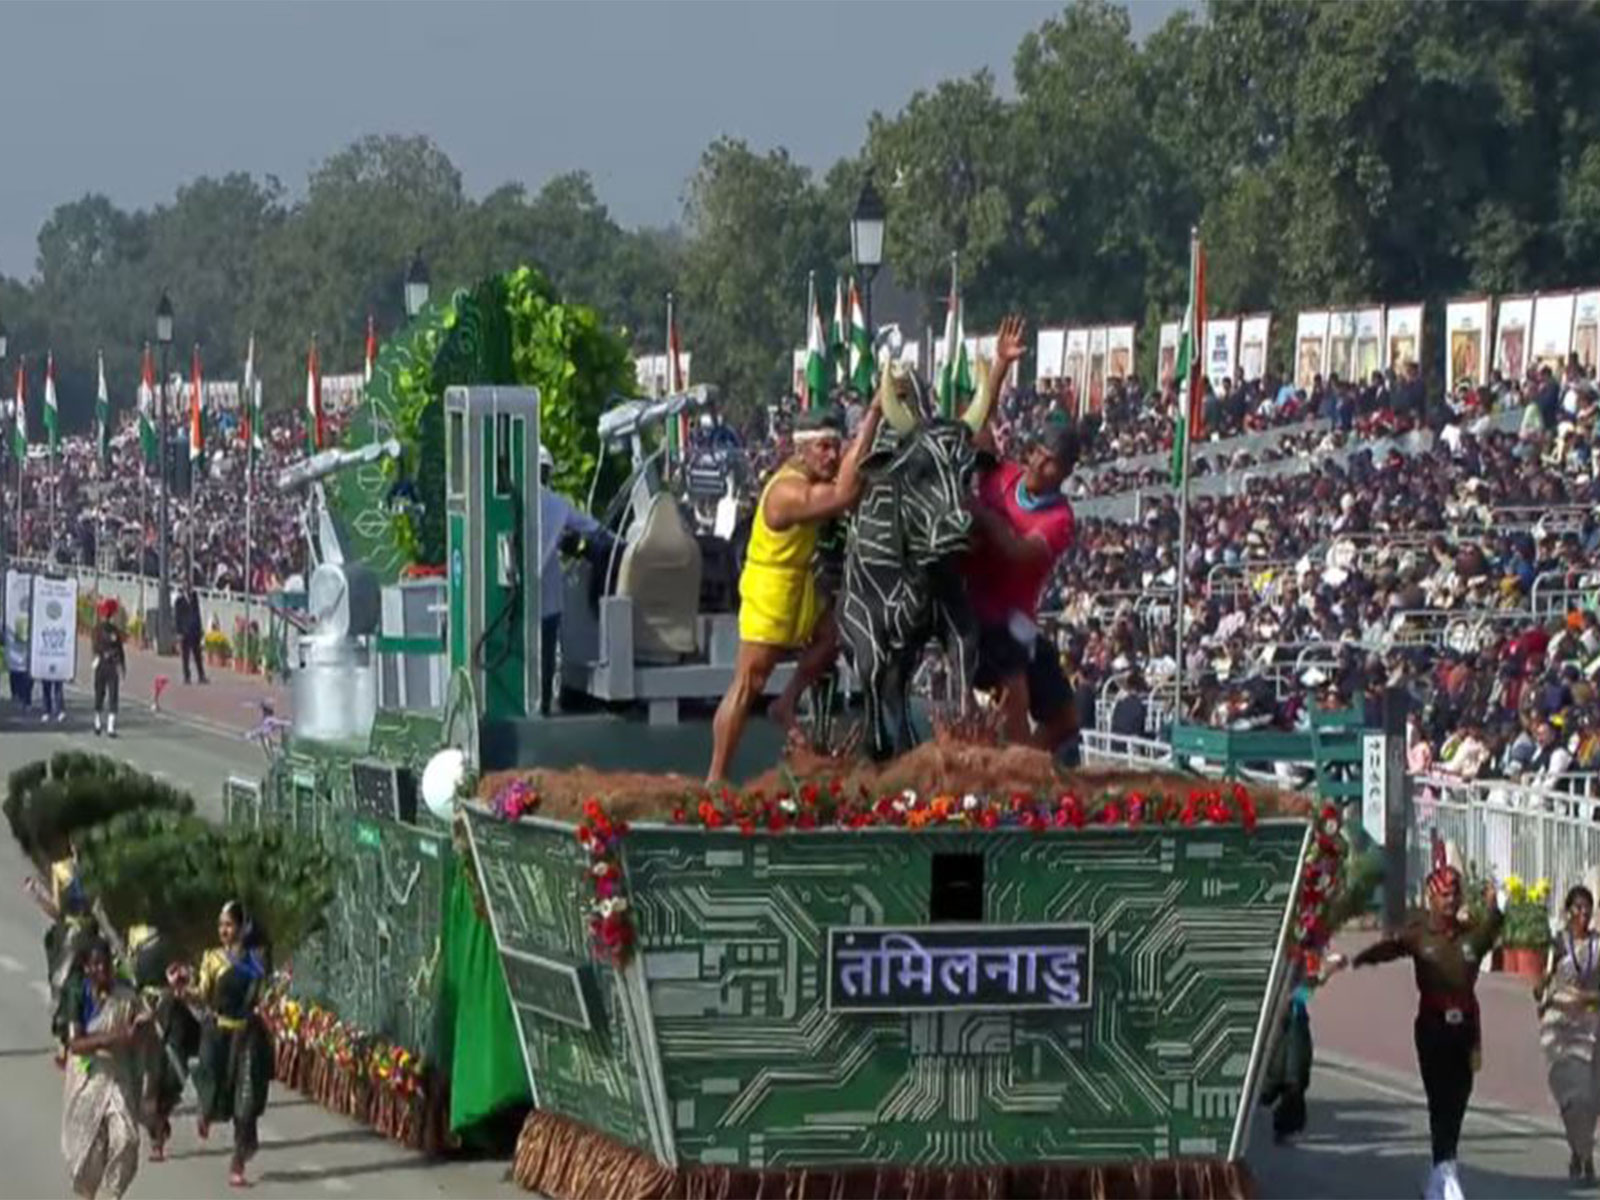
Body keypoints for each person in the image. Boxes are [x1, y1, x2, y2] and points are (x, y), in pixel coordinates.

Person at [706, 396, 883, 783]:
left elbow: (846, 482)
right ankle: (715, 777)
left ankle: (785, 704)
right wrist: (873, 414)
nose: (833, 455)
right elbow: (843, 495)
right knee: (749, 683)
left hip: (800, 584)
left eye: (836, 446)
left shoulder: (810, 477)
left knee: (832, 634)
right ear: (800, 448)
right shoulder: (785, 491)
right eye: (823, 446)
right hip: (770, 589)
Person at [1351, 849, 1503, 1200]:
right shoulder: (1420, 935)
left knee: (1459, 1098)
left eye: (1455, 895)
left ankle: (1442, 1166)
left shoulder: (1470, 937)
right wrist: (1357, 959)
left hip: (1465, 1028)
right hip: (1432, 1026)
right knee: (1440, 1099)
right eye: (1444, 895)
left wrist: (1494, 905)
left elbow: (1493, 927)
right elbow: (1389, 949)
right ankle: (1445, 1171)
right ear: (1432, 898)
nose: (1450, 901)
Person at [964, 315, 1082, 755]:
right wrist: (1000, 365)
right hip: (977, 612)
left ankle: (1023, 763)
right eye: (1034, 453)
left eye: (1050, 461)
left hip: (1017, 620)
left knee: (1065, 718)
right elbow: (980, 422)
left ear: (1065, 471)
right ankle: (1016, 771)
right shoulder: (1003, 476)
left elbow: (1017, 554)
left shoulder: (1059, 519)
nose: (1036, 464)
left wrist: (978, 511)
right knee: (1015, 688)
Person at [173, 900, 272, 1189]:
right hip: (217, 1034)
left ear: (242, 927)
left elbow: (263, 994)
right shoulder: (212, 958)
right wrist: (182, 990)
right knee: (212, 1089)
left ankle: (237, 1163)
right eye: (221, 926)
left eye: (229, 925)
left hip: (248, 1037)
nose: (223, 931)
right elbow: (202, 994)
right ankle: (206, 1113)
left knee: (246, 1102)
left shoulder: (256, 961)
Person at [60, 938, 151, 1200]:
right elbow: (76, 1044)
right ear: (87, 968)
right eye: (96, 965)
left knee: (127, 1140)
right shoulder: (77, 993)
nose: (103, 970)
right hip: (87, 1074)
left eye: (106, 964)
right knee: (89, 1150)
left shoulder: (125, 994)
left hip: (118, 1073)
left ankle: (111, 1195)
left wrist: (141, 1027)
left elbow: (140, 1030)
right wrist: (112, 1038)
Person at [536, 443, 608, 717]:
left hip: (519, 594)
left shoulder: (519, 502)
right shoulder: (558, 505)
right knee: (546, 654)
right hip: (549, 595)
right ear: (549, 473)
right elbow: (593, 528)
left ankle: (529, 704)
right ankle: (543, 704)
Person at [1536, 885, 1600, 1182]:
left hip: (1591, 1022)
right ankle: (1580, 1152)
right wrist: (1542, 989)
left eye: (1588, 910)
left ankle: (1582, 1151)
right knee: (1571, 1092)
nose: (1583, 916)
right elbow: (1541, 985)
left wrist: (1587, 1000)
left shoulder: (1598, 946)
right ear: (1567, 911)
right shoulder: (1558, 943)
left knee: (1591, 1095)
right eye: (1577, 909)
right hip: (1560, 1024)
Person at [125, 924, 197, 1164]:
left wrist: (178, 988)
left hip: (171, 1016)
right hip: (145, 1019)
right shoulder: (129, 961)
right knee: (148, 1083)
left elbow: (185, 981)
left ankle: (159, 1132)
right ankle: (156, 1134)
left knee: (171, 1077)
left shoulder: (171, 955)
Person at [25, 840, 95, 1062]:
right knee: (65, 985)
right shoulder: (61, 870)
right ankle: (65, 1041)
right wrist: (37, 895)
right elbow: (58, 911)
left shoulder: (97, 870)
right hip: (68, 937)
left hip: (93, 934)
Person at [91, 599, 126, 738]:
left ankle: (111, 726)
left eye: (109, 615)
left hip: (112, 665)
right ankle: (97, 721)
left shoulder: (115, 631)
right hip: (101, 664)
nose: (107, 618)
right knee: (99, 693)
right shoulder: (97, 630)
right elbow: (95, 647)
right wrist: (102, 653)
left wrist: (122, 666)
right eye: (105, 615)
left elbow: (120, 649)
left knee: (113, 694)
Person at [174, 587, 206, 685]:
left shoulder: (194, 597)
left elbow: (198, 613)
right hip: (185, 632)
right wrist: (179, 632)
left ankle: (201, 676)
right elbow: (177, 617)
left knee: (198, 655)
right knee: (185, 656)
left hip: (194, 631)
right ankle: (187, 677)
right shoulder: (179, 601)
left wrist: (200, 629)